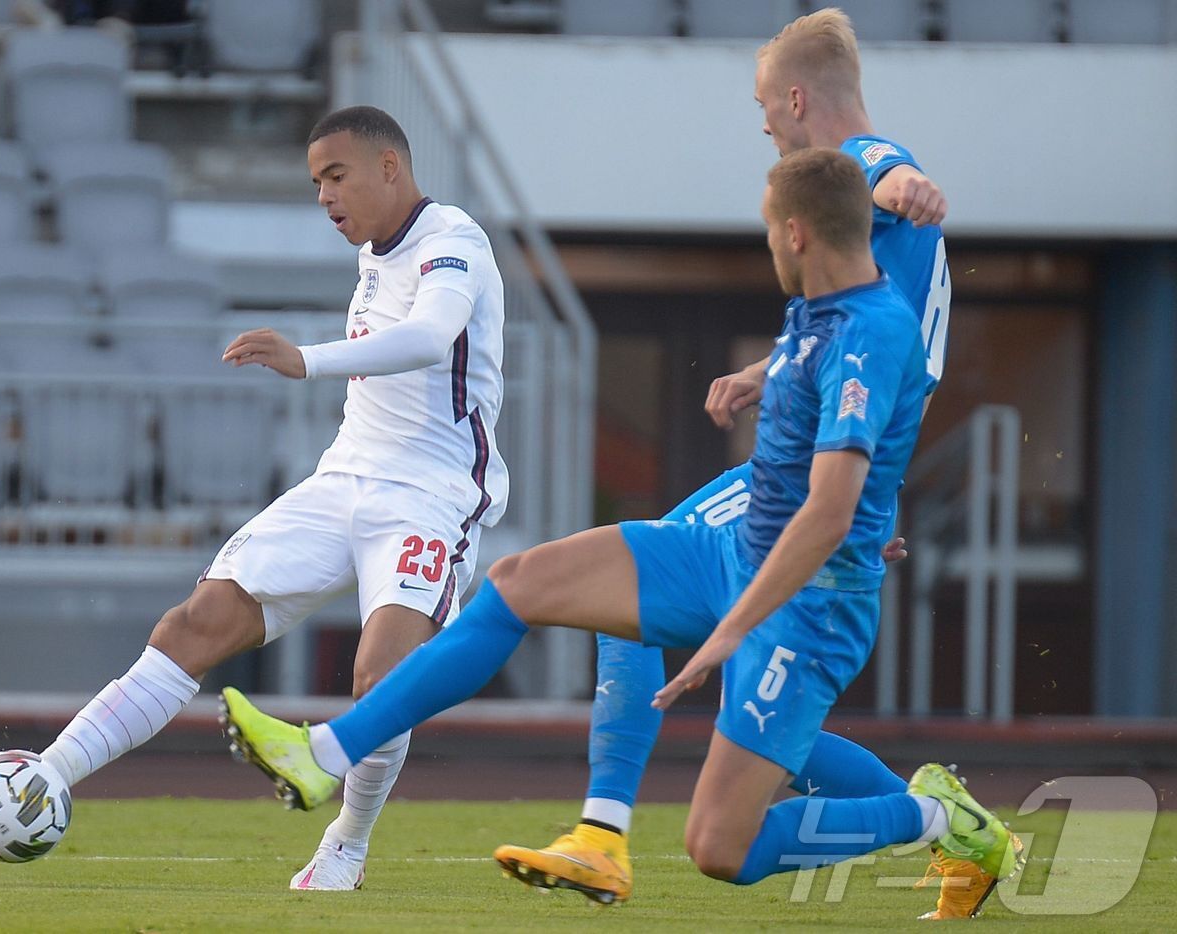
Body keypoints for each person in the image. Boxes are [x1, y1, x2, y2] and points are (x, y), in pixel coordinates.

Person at [219, 147, 1023, 907]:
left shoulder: (870, 332)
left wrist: (727, 630)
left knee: (722, 848)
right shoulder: (815, 312)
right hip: (726, 554)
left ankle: (937, 816)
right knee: (518, 585)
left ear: (796, 232)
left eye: (768, 227)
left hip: (805, 605)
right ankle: (327, 753)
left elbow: (832, 502)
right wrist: (756, 384)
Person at [0, 105, 510, 892]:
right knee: (195, 621)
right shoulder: (372, 256)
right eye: (314, 182)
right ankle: (39, 779)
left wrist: (307, 359)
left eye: (336, 176)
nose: (324, 196)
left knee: (382, 679)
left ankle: (346, 846)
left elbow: (430, 339)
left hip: (431, 497)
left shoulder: (453, 242)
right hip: (343, 480)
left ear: (389, 167)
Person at [493, 8, 1004, 921]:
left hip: (813, 482)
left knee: (631, 591)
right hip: (816, 471)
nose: (762, 122)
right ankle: (943, 817)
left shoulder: (869, 166)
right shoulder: (856, 232)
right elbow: (858, 312)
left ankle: (606, 837)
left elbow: (889, 178)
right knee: (748, 699)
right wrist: (765, 373)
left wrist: (911, 184)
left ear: (797, 98)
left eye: (765, 104)